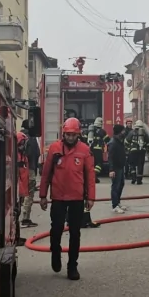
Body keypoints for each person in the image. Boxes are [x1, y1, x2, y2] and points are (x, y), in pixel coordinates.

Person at [39, 117, 96, 280]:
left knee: (75, 233)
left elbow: (90, 175)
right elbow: (46, 173)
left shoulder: (85, 150)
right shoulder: (54, 148)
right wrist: (43, 195)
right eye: (68, 134)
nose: (70, 137)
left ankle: (72, 266)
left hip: (77, 198)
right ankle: (55, 253)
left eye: (73, 134)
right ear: (63, 133)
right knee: (56, 229)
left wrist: (90, 197)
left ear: (78, 134)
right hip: (58, 197)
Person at [20, 121, 40, 228]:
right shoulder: (31, 138)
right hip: (30, 169)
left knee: (20, 194)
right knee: (29, 193)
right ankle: (25, 218)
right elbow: (35, 153)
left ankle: (18, 215)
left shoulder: (18, 136)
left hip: (18, 170)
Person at [108, 124, 128, 214]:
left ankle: (118, 202)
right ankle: (114, 205)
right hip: (115, 168)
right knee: (115, 186)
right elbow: (110, 157)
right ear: (119, 132)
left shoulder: (120, 141)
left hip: (120, 166)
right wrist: (111, 170)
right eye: (123, 131)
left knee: (121, 184)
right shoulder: (113, 143)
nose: (124, 132)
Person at [15, 132, 30, 244]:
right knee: (16, 213)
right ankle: (16, 237)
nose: (23, 145)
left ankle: (17, 236)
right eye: (22, 143)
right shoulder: (16, 156)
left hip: (22, 190)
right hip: (17, 191)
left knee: (18, 213)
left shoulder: (23, 155)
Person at [125, 120, 149, 185]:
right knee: (140, 166)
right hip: (141, 152)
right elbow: (148, 143)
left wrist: (128, 149)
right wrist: (148, 151)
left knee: (132, 165)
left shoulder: (131, 132)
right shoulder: (144, 133)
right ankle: (139, 180)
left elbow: (126, 142)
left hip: (133, 152)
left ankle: (133, 178)